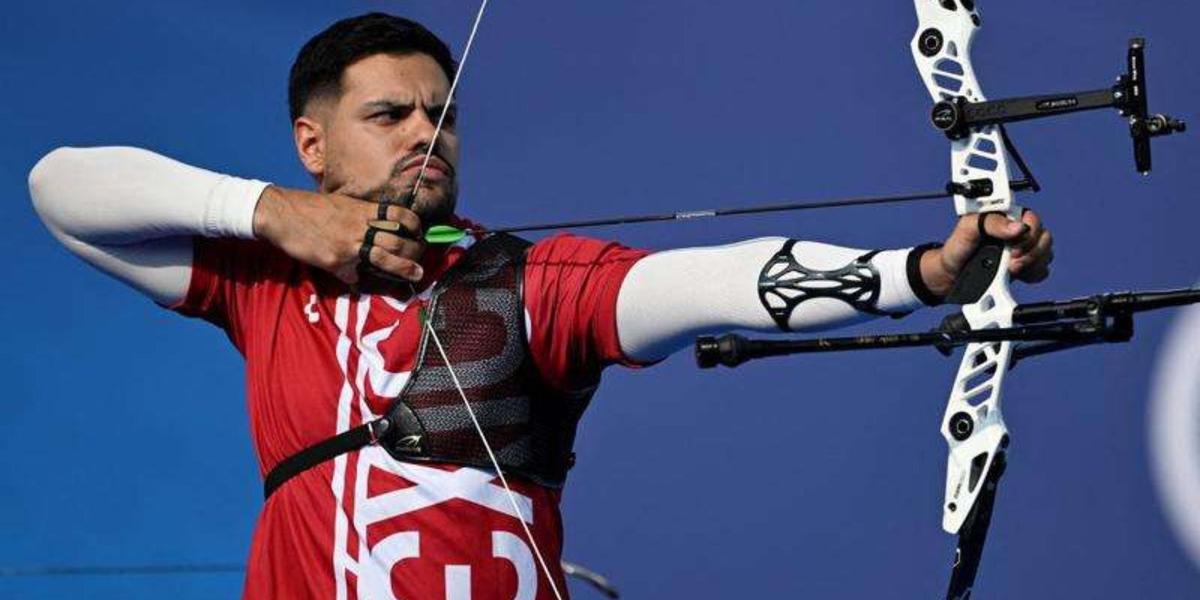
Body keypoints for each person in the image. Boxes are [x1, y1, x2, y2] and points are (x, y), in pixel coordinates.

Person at [27, 12, 1052, 600]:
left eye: (444, 114)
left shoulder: (520, 281)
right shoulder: (264, 278)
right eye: (389, 115)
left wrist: (920, 271)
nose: (427, 132)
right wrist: (275, 217)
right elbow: (61, 189)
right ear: (313, 144)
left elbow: (705, 282)